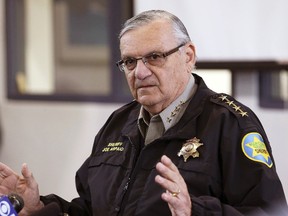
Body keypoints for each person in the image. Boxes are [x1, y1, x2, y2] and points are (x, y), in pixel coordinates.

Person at [0, 9, 287, 216]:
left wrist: (193, 211)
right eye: (129, 61)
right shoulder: (118, 123)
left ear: (188, 57)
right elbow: (88, 208)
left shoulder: (230, 123)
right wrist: (37, 208)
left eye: (154, 57)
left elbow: (268, 211)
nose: (140, 72)